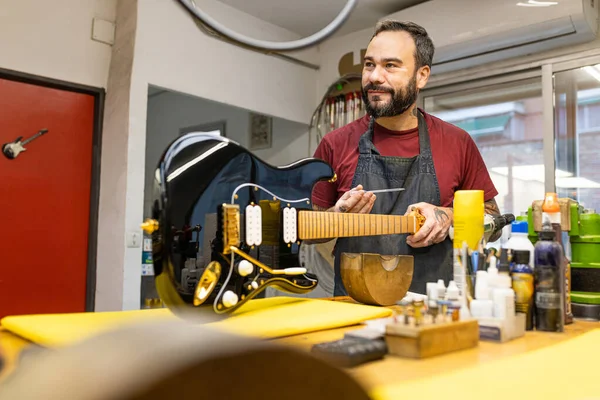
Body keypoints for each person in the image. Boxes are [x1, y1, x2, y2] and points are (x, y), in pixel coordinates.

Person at [311, 20, 501, 296]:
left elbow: (493, 224)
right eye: (369, 64)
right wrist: (338, 215)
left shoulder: (457, 143)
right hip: (353, 312)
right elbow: (308, 232)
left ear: (421, 76)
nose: (374, 76)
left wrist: (447, 216)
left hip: (435, 313)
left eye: (390, 65)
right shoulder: (335, 144)